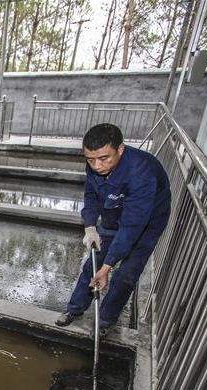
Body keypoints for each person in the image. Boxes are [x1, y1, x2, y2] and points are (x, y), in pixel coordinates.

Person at [55, 123, 171, 335]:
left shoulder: (141, 173)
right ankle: (75, 309)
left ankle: (106, 320)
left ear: (121, 149)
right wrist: (90, 226)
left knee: (126, 274)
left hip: (146, 222)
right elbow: (91, 195)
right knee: (93, 263)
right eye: (90, 160)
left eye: (104, 158)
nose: (97, 166)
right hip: (113, 212)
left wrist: (108, 267)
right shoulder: (95, 165)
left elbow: (132, 226)